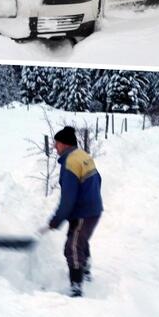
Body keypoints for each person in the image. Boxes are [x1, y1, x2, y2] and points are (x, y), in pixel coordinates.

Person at [47, 126, 103, 297]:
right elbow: (98, 179)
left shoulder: (70, 162)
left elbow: (68, 198)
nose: (55, 147)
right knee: (79, 240)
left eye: (56, 143)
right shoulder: (83, 156)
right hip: (91, 208)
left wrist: (57, 219)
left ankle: (76, 286)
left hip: (83, 212)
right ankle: (85, 270)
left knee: (72, 246)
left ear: (64, 144)